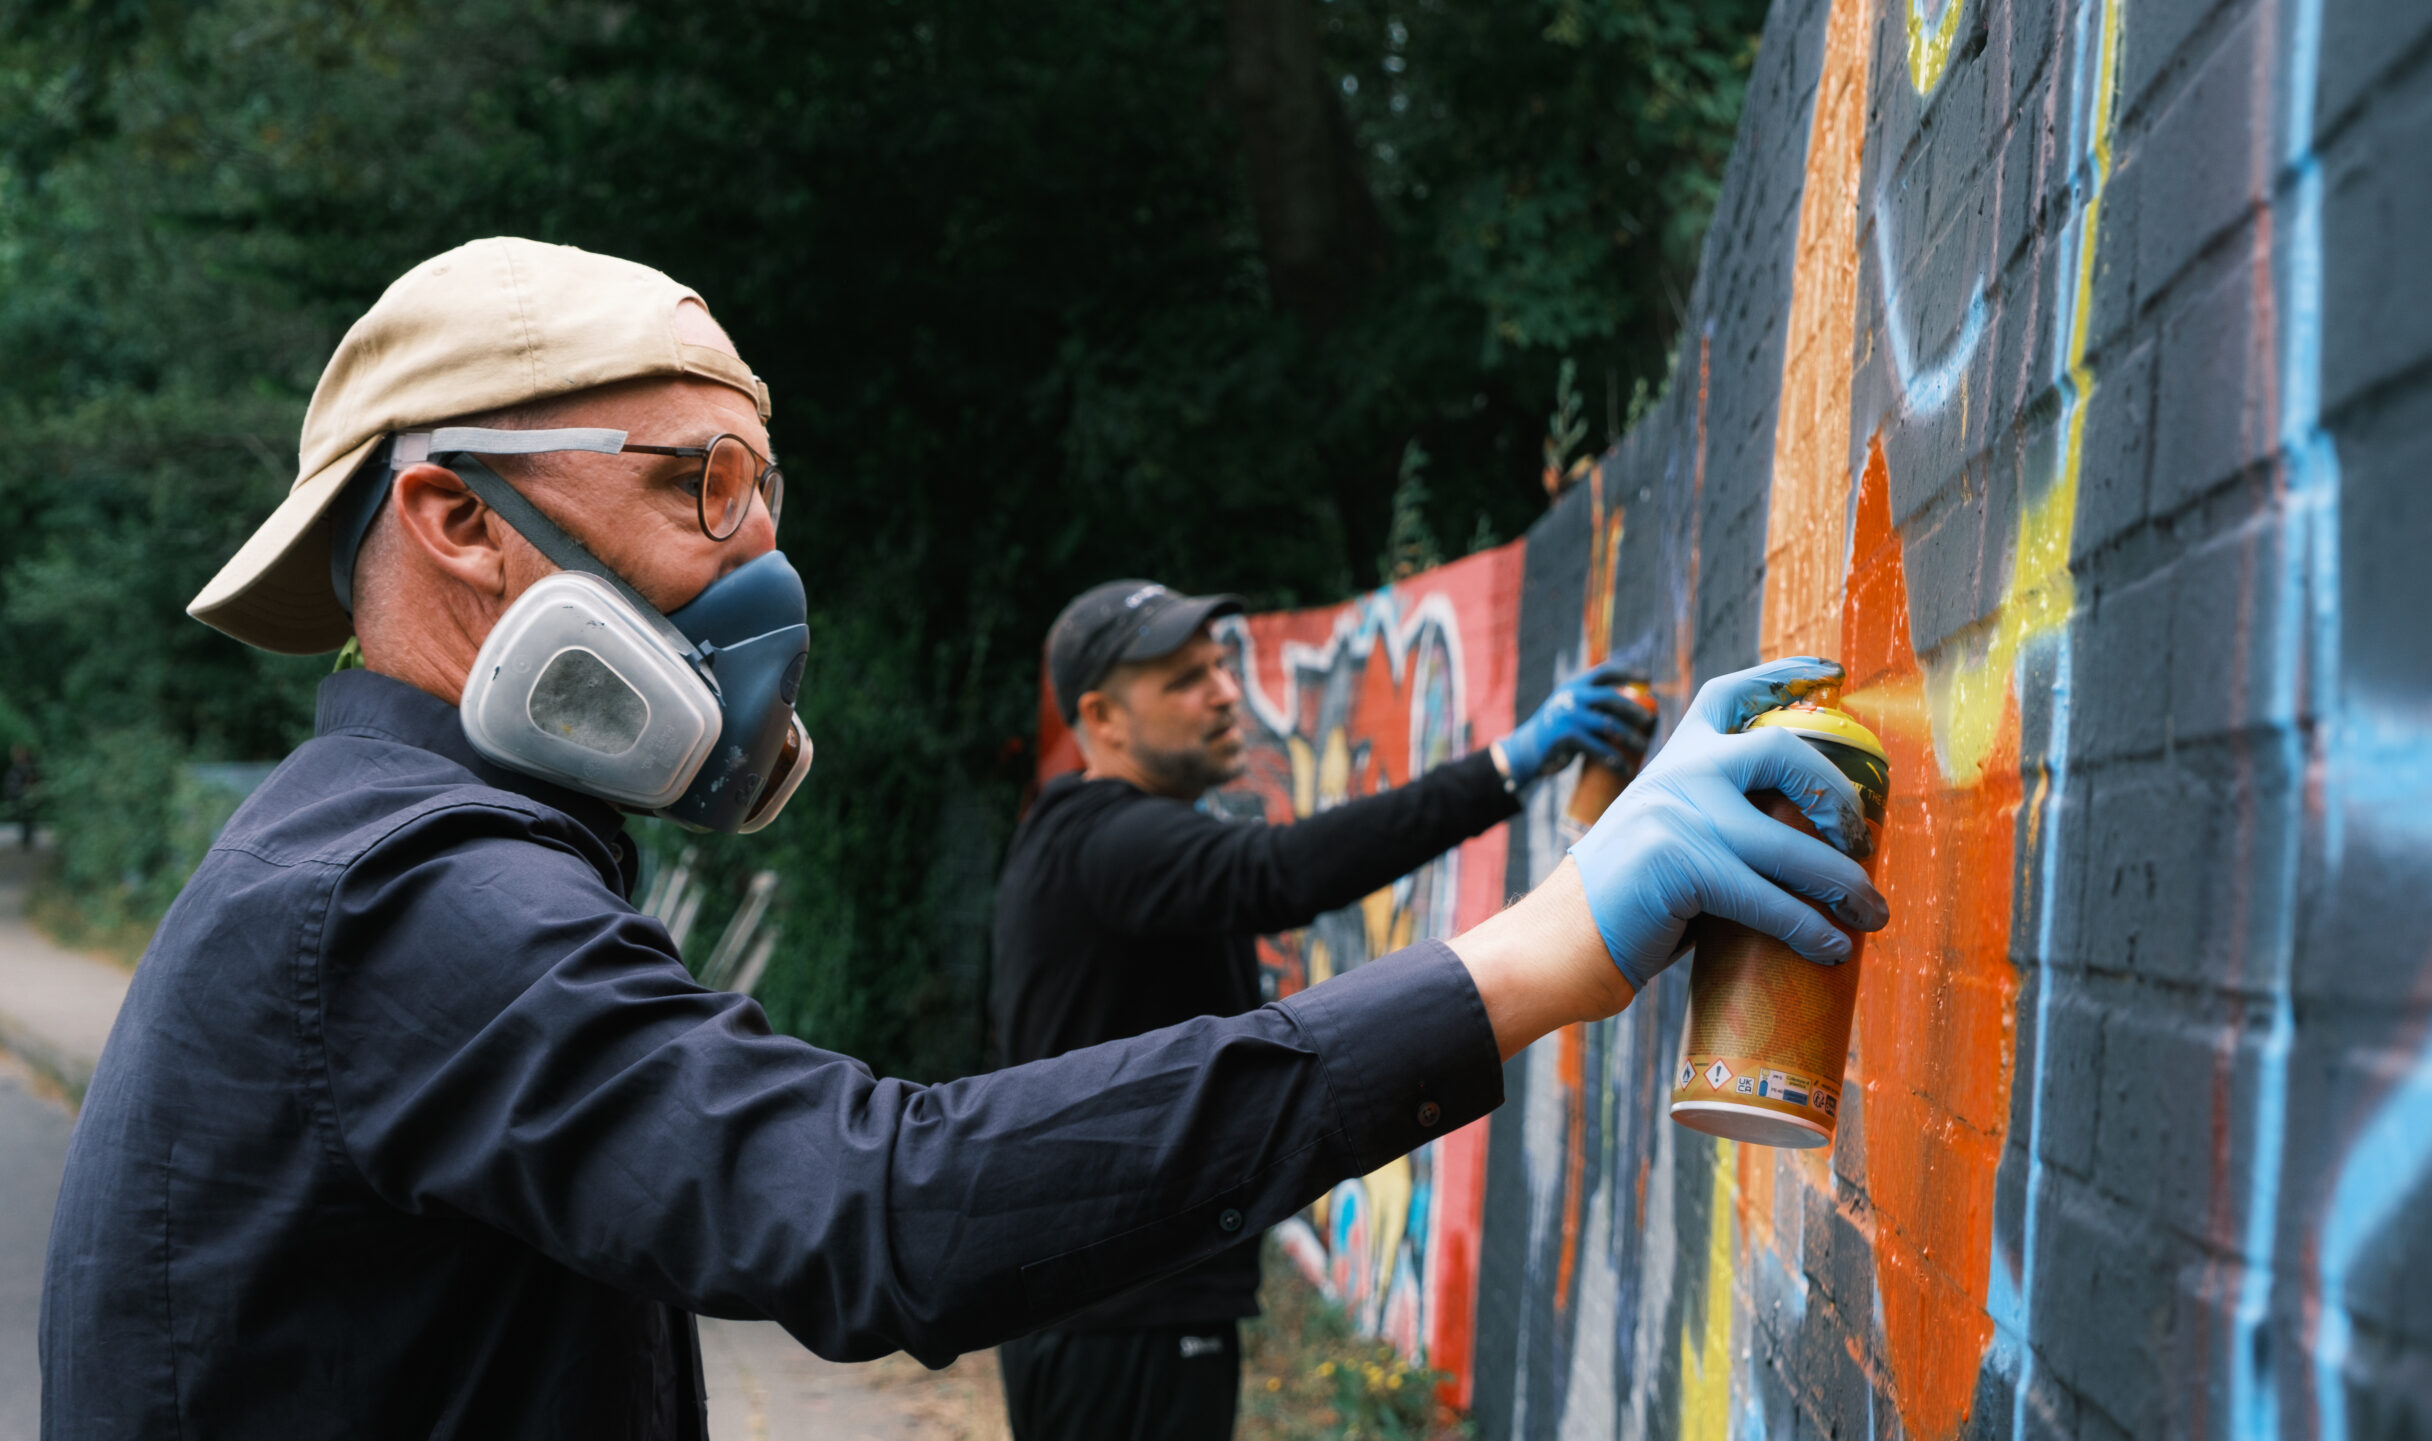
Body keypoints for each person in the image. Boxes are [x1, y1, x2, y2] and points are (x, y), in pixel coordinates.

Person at [39, 237, 1889, 1440]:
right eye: (698, 486)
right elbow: (882, 1210)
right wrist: (1551, 948)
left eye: (763, 492)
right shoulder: (399, 900)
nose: (758, 564)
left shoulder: (363, 859)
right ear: (456, 517)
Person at [988, 581, 1664, 1440]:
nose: (1225, 691)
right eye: (1186, 679)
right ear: (1103, 716)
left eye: (1220, 666)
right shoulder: (1110, 841)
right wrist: (1506, 765)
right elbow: (1282, 871)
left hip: (1105, 1304)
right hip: (1125, 1318)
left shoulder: (1076, 837)